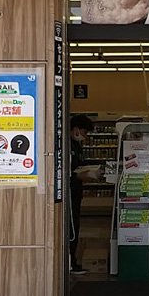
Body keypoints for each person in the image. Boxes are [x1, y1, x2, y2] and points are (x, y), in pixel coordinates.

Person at [69, 114, 96, 275]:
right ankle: (70, 263)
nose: (85, 136)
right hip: (68, 194)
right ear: (76, 129)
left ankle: (73, 261)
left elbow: (79, 164)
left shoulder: (77, 146)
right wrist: (78, 176)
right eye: (84, 132)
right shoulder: (66, 146)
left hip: (76, 193)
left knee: (76, 226)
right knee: (71, 228)